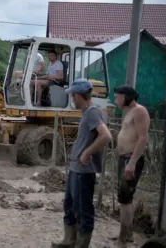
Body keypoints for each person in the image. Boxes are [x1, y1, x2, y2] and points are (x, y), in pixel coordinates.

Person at [51, 78, 112, 248]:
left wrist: (87, 152)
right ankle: (69, 240)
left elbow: (106, 136)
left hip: (84, 171)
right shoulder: (87, 113)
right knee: (70, 205)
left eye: (73, 96)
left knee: (82, 209)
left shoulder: (93, 112)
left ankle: (81, 244)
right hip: (76, 168)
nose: (72, 100)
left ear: (79, 96)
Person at [109, 85, 150, 248]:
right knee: (125, 199)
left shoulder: (140, 111)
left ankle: (122, 240)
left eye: (117, 97)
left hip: (130, 160)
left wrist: (132, 163)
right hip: (125, 158)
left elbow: (143, 138)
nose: (115, 100)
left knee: (124, 199)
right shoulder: (129, 113)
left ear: (126, 97)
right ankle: (128, 235)